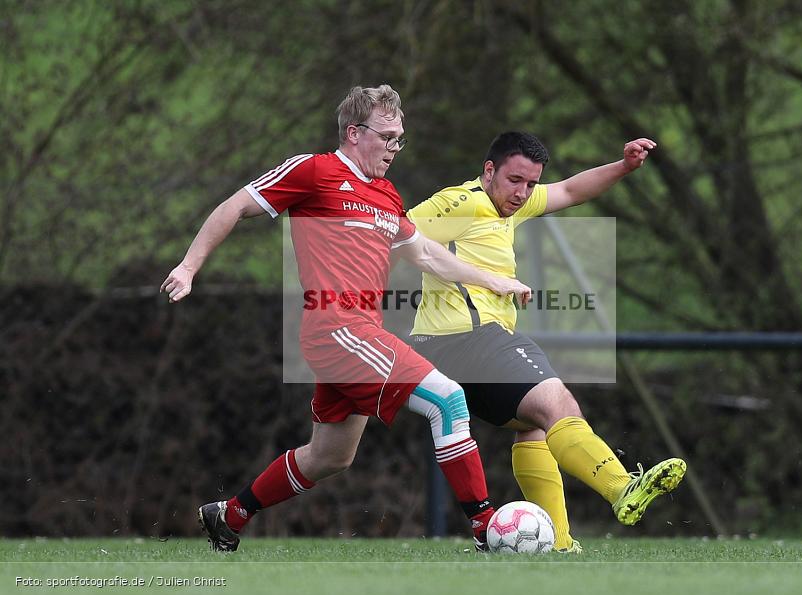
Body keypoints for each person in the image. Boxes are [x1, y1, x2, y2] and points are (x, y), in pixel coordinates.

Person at [160, 86, 532, 552]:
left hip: (358, 332)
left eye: (401, 139)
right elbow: (235, 205)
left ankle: (229, 515)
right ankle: (485, 528)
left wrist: (495, 281)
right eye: (388, 137)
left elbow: (428, 255)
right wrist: (188, 266)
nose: (395, 148)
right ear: (355, 133)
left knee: (330, 456)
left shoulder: (386, 195)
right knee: (448, 399)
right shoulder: (315, 171)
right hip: (336, 328)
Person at [406, 131, 686, 553]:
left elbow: (571, 190)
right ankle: (620, 486)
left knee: (534, 427)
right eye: (515, 180)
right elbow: (396, 228)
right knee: (558, 405)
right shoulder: (461, 201)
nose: (522, 193)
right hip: (467, 338)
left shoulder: (506, 205)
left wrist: (624, 166)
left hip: (450, 348)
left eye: (531, 184)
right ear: (488, 171)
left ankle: (558, 544)